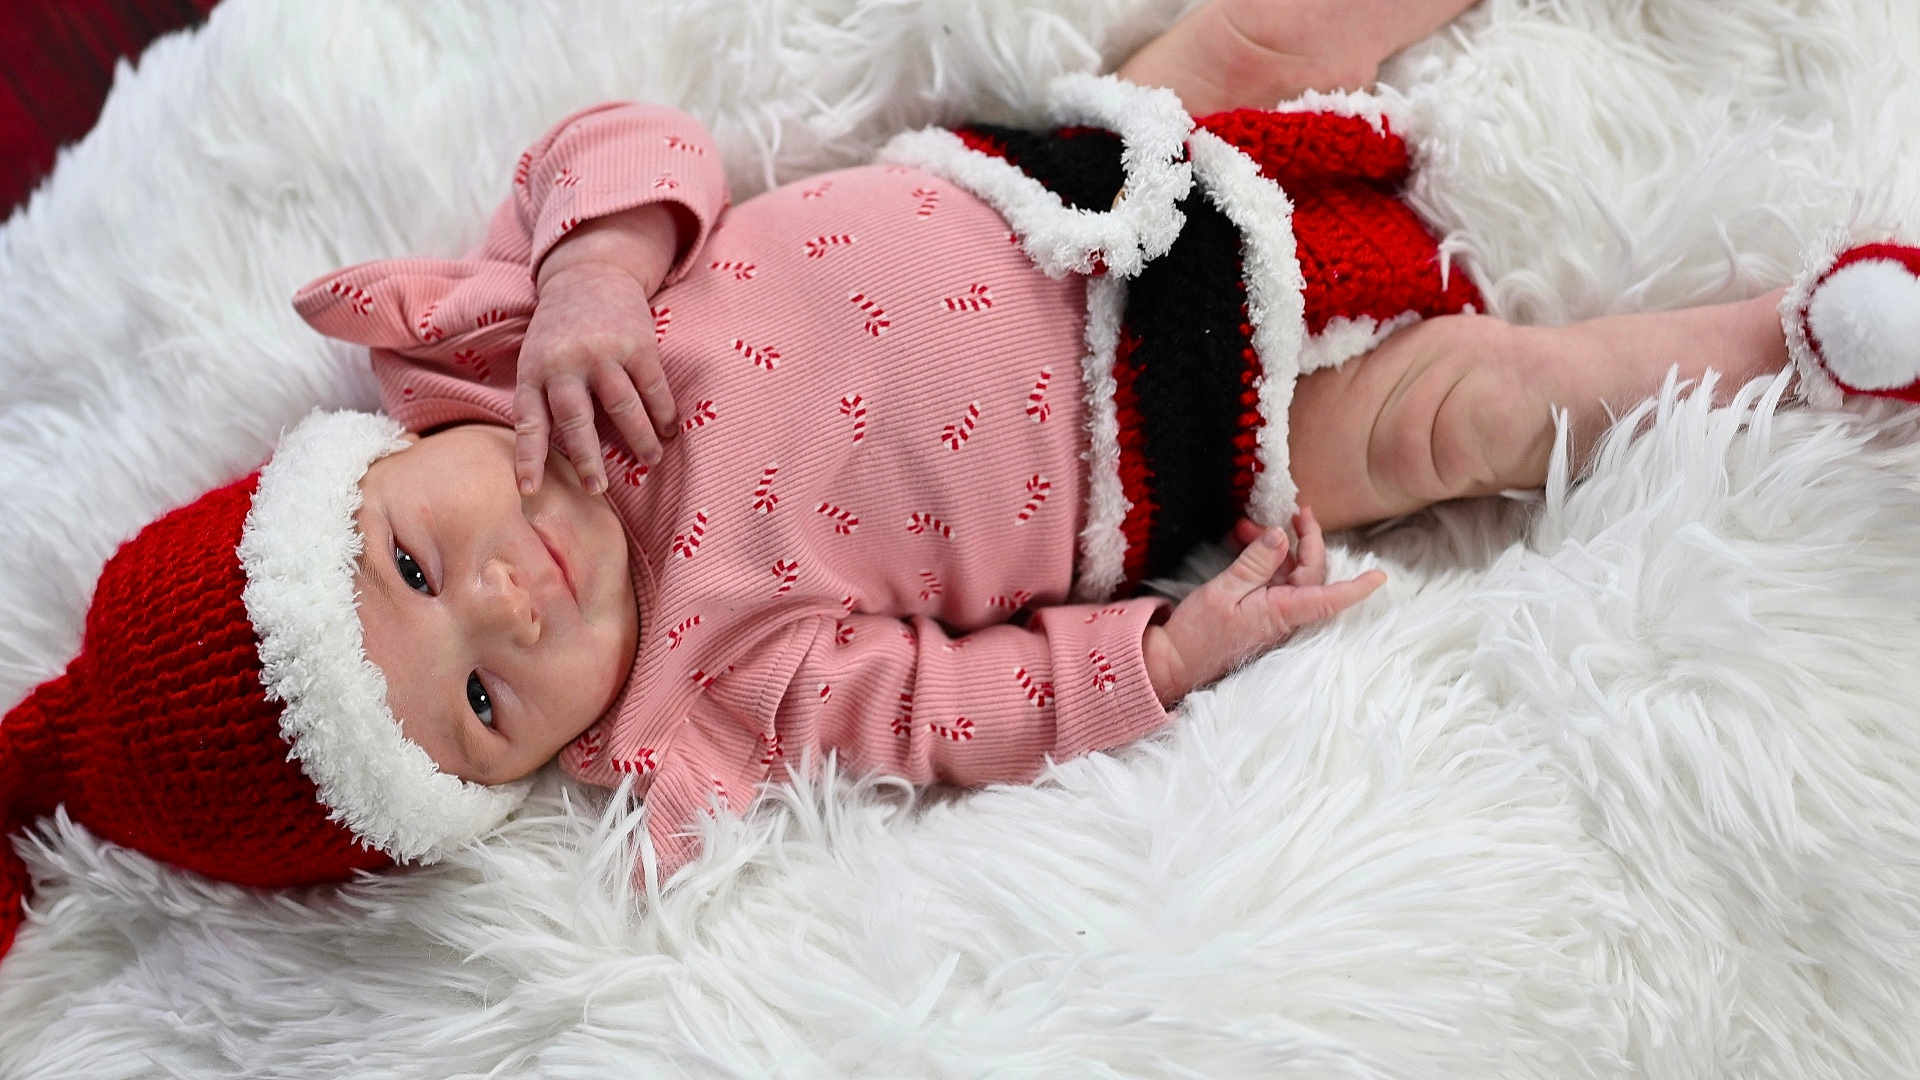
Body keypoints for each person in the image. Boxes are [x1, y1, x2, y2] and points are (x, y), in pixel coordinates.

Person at [4, 0, 1915, 964]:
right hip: (1167, 447)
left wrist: (594, 268)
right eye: (484, 702)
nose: (506, 603)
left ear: (390, 450)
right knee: (1454, 424)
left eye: (418, 570)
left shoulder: (525, 338)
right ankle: (1797, 343)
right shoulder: (714, 689)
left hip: (1078, 186)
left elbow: (622, 137)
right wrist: (1167, 657)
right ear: (519, 777)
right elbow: (938, 709)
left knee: (1256, 31)